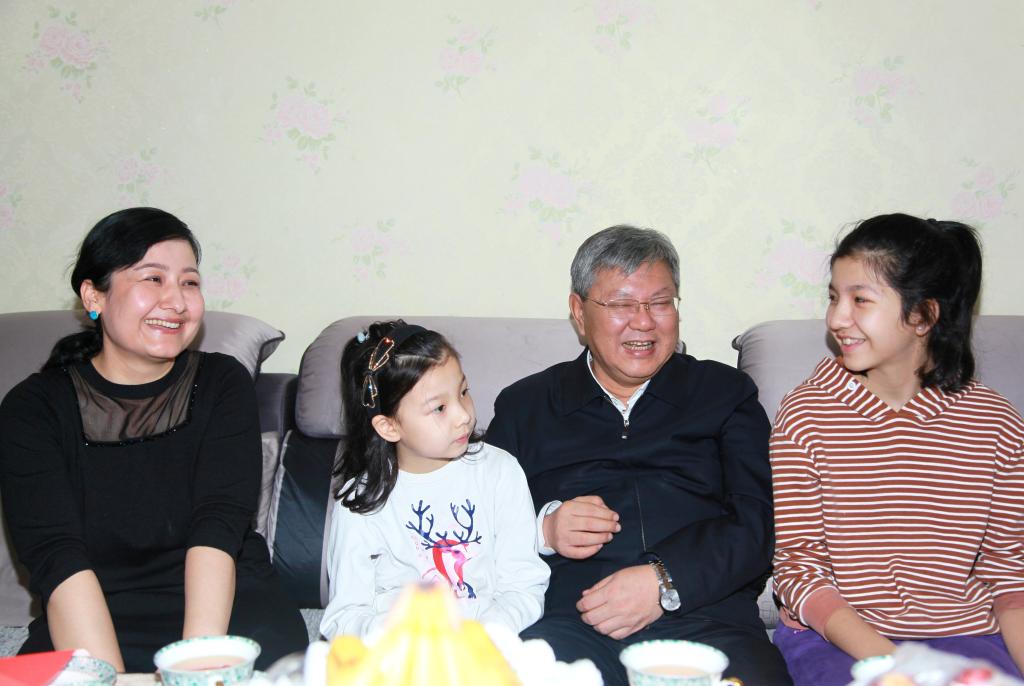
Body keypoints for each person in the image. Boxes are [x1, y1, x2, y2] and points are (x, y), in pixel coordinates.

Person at [0, 208, 307, 672]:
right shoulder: (33, 408)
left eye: (189, 282)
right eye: (153, 279)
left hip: (225, 606)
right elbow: (56, 556)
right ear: (94, 295)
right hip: (93, 613)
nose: (176, 301)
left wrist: (196, 670)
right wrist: (107, 677)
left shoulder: (221, 382)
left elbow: (218, 525)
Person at [486, 225, 792, 686]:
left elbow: (759, 521)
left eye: (660, 302)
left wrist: (665, 580)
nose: (644, 322)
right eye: (622, 304)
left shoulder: (724, 393)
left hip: (710, 621)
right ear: (579, 312)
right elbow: (477, 530)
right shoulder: (525, 406)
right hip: (573, 624)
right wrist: (543, 530)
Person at [771, 213, 1024, 685]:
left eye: (860, 300)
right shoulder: (807, 413)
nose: (836, 318)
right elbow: (799, 567)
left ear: (923, 315)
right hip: (839, 635)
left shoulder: (996, 423)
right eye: (833, 297)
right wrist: (904, 669)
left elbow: (1011, 574)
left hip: (967, 632)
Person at [319, 320, 549, 639]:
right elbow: (344, 616)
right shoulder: (361, 503)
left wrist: (484, 636)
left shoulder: (499, 471)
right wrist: (402, 638)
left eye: (463, 392)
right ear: (389, 427)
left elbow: (522, 586)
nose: (464, 415)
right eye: (439, 408)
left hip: (488, 645)